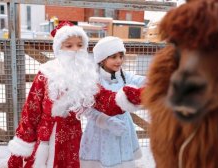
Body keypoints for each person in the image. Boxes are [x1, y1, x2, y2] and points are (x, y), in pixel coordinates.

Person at [7, 22, 141, 168]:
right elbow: (30, 112)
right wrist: (20, 149)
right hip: (46, 137)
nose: (75, 50)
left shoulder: (85, 76)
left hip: (72, 137)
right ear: (59, 48)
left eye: (79, 45)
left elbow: (102, 98)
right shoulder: (45, 74)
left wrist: (127, 97)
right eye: (69, 46)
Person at [79, 36, 146, 168]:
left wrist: (156, 80)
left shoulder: (124, 75)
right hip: (100, 129)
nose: (119, 60)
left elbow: (140, 80)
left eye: (121, 56)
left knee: (122, 161)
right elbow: (86, 107)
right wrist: (106, 121)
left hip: (123, 126)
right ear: (102, 59)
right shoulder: (93, 79)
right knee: (103, 160)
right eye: (113, 57)